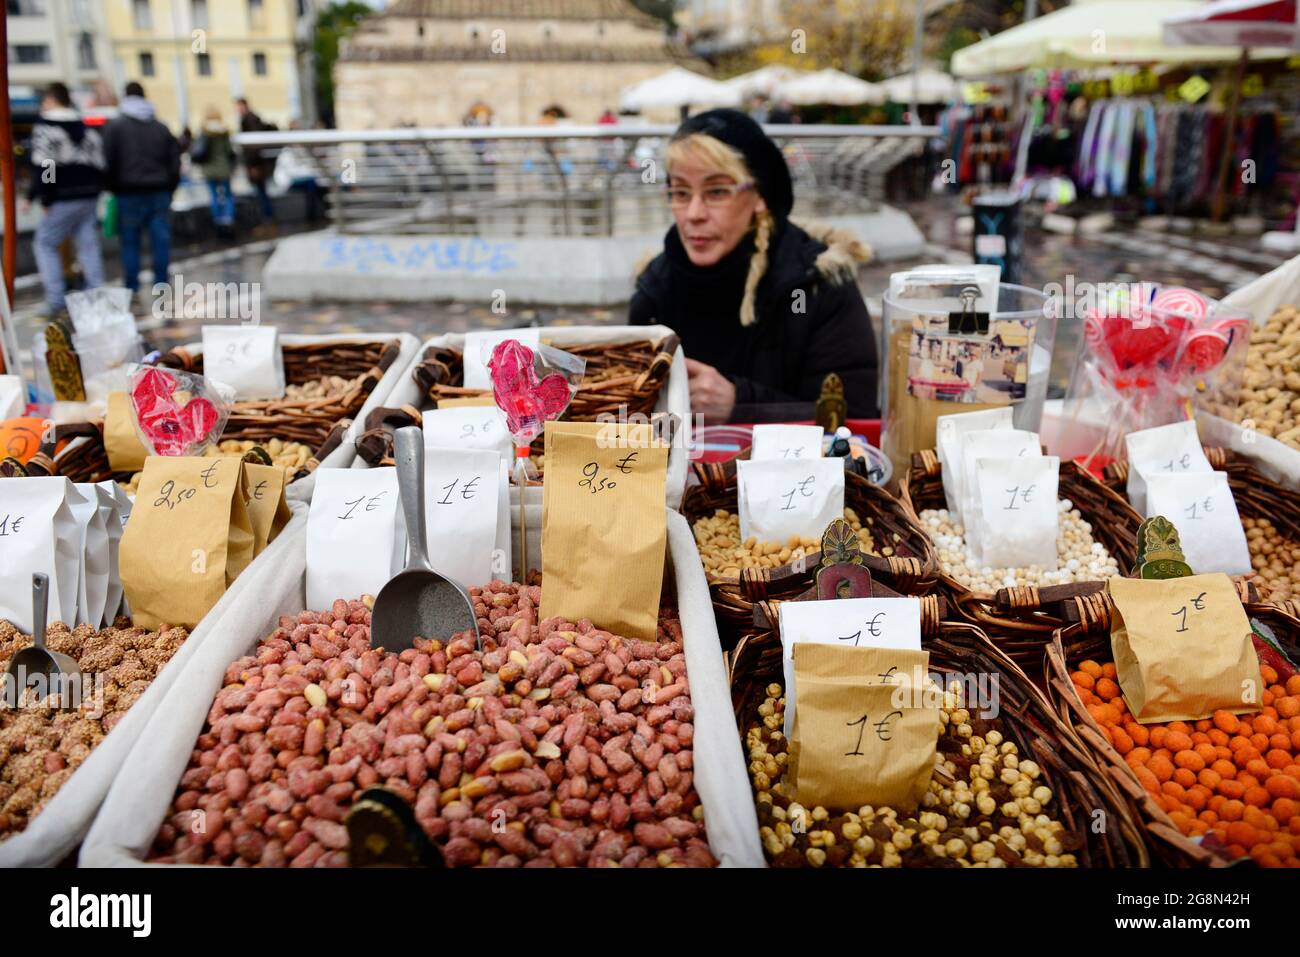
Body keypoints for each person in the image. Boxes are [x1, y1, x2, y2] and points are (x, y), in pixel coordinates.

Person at [629, 109, 877, 423]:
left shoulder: (818, 283)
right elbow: (633, 418)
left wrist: (741, 404)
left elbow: (854, 419)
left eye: (717, 191)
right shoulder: (654, 288)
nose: (693, 213)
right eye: (680, 192)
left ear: (760, 195)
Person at [26, 82, 106, 317]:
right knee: (88, 243)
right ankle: (97, 293)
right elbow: (100, 164)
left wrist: (45, 196)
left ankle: (55, 298)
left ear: (51, 100)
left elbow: (47, 164)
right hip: (88, 194)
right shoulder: (85, 126)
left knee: (45, 243)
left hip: (63, 195)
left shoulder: (46, 127)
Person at [103, 81, 180, 297]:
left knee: (129, 242)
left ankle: (131, 287)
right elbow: (174, 162)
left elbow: (107, 161)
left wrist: (112, 187)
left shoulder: (115, 127)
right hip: (159, 192)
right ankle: (161, 284)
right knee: (160, 241)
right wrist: (169, 188)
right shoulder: (160, 127)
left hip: (128, 193)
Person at [191, 106, 236, 239]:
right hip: (223, 168)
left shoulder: (204, 131)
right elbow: (229, 151)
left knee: (214, 196)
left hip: (209, 169)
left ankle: (218, 222)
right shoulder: (224, 131)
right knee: (227, 196)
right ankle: (228, 220)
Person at [235, 97, 277, 232]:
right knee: (261, 194)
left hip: (257, 165)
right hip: (258, 164)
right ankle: (267, 222)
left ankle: (267, 222)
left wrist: (253, 165)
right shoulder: (251, 119)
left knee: (261, 195)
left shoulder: (250, 120)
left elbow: (254, 146)